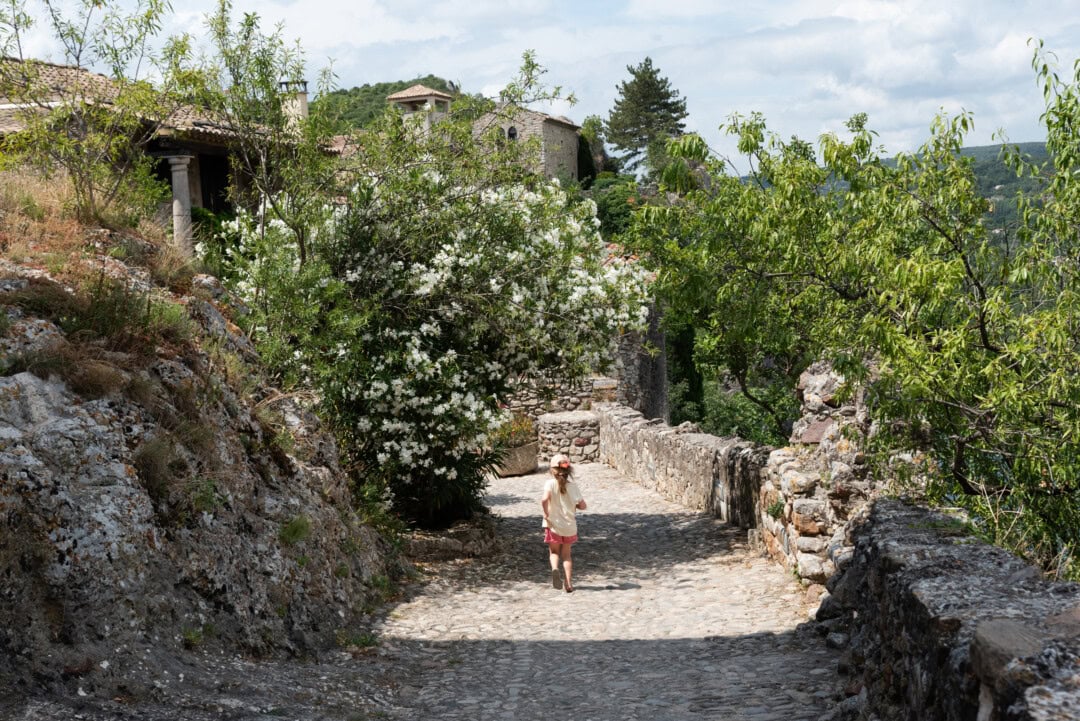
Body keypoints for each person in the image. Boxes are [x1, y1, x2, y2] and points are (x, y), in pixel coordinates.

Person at [541, 453, 586, 593]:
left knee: (554, 552)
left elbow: (544, 499)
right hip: (569, 527)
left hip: (553, 525)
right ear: (568, 471)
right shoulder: (573, 487)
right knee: (567, 555)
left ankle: (555, 569)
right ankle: (569, 583)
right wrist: (575, 506)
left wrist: (546, 512)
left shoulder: (550, 484)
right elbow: (583, 506)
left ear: (552, 470)